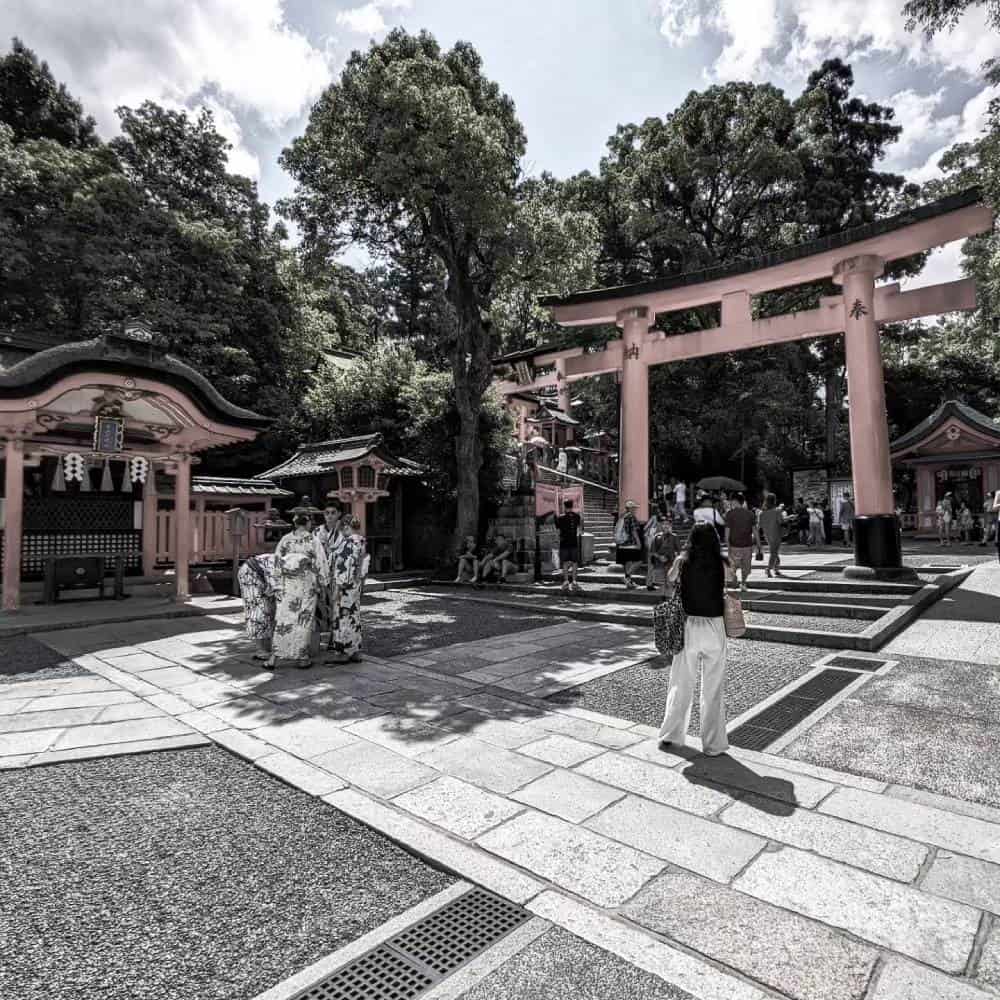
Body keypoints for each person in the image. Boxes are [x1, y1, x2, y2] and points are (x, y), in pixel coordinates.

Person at [658, 522, 735, 757]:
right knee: (713, 688)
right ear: (714, 539)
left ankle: (672, 734)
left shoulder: (683, 561)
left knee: (680, 682)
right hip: (714, 626)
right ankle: (714, 744)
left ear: (690, 539)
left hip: (689, 626)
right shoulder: (723, 563)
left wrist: (681, 559)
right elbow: (731, 579)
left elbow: (670, 579)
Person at [268, 512, 330, 670]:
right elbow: (321, 563)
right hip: (306, 585)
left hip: (287, 584)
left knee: (284, 619)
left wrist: (276, 585)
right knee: (303, 620)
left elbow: (276, 562)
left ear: (295, 524)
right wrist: (323, 583)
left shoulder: (285, 540)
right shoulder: (312, 540)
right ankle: (302, 657)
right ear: (308, 523)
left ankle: (274, 658)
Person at [329, 516, 367, 662]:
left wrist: (337, 589)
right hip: (355, 585)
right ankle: (355, 650)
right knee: (354, 617)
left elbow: (344, 568)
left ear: (346, 526)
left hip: (345, 587)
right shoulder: (361, 542)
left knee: (343, 617)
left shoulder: (348, 543)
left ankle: (343, 651)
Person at [315, 504, 346, 645]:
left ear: (339, 514)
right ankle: (323, 636)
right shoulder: (316, 531)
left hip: (338, 573)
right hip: (321, 573)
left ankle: (337, 637)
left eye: (333, 512)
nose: (330, 516)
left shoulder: (344, 531)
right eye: (327, 513)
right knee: (321, 604)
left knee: (338, 605)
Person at [237, 552, 277, 660]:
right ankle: (260, 649)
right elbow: (273, 588)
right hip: (249, 573)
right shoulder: (280, 564)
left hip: (261, 576)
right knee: (258, 610)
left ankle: (266, 646)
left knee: (267, 609)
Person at [724, 494, 755, 589]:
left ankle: (735, 579)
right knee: (746, 566)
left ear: (735, 501)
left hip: (734, 545)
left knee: (733, 566)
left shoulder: (729, 514)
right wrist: (758, 544)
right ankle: (744, 583)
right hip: (747, 545)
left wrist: (728, 545)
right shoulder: (750, 514)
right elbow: (755, 530)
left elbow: (727, 532)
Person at [554, 499, 583, 592]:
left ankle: (566, 581)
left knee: (565, 563)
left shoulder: (560, 518)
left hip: (564, 543)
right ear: (572, 506)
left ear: (564, 507)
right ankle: (574, 581)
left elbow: (557, 530)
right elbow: (580, 530)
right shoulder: (577, 516)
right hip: (574, 542)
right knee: (575, 563)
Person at [615, 500, 644, 589]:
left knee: (628, 563)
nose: (635, 509)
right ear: (630, 508)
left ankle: (629, 582)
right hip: (630, 543)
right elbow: (634, 531)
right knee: (639, 561)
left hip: (622, 543)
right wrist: (639, 542)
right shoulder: (631, 516)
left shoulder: (622, 516)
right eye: (634, 508)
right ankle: (626, 576)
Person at [644, 507, 674, 590]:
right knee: (659, 566)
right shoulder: (661, 527)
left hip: (652, 549)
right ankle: (658, 584)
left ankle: (650, 584)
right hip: (657, 550)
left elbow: (646, 534)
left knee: (651, 567)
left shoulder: (653, 527)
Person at [758, 492, 785, 578]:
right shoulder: (777, 511)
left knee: (774, 552)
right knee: (774, 552)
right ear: (774, 501)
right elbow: (781, 522)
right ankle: (768, 569)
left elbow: (760, 525)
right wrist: (789, 518)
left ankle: (776, 569)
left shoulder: (761, 513)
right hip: (776, 533)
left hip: (767, 535)